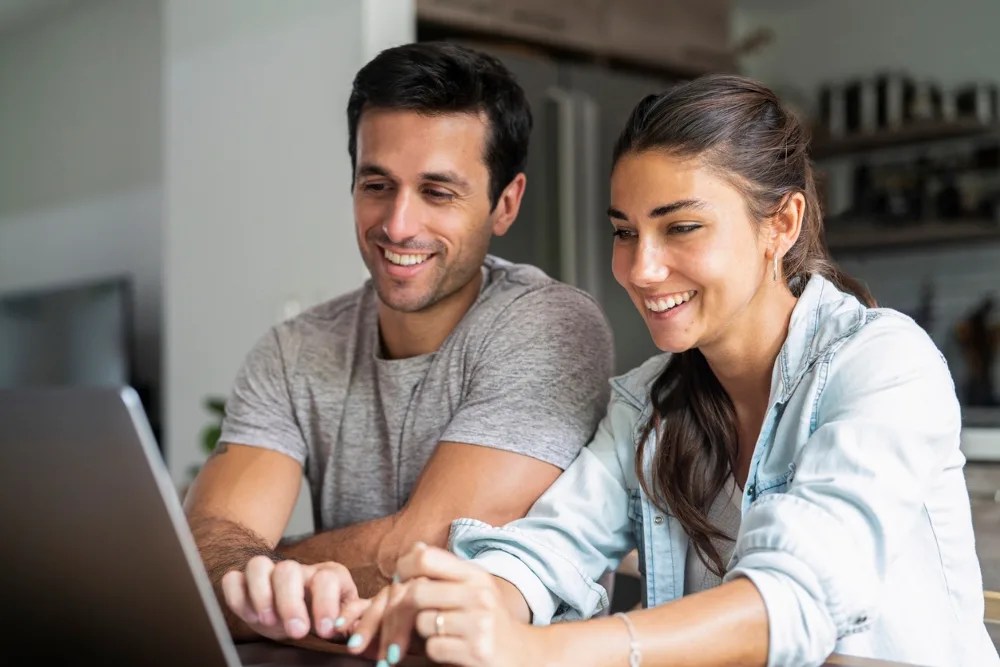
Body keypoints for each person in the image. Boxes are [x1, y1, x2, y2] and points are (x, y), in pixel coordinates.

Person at [346, 75, 1000, 667]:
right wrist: (473, 599)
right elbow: (550, 546)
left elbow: (795, 596)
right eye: (625, 232)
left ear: (783, 223)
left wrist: (540, 647)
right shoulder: (646, 403)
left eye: (681, 227)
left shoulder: (885, 364)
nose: (640, 268)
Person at [181, 41, 614, 646]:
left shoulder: (549, 325)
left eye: (437, 192)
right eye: (377, 184)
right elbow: (206, 550)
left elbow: (431, 545)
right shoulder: (293, 352)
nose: (397, 224)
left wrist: (265, 569)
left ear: (505, 205)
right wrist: (246, 571)